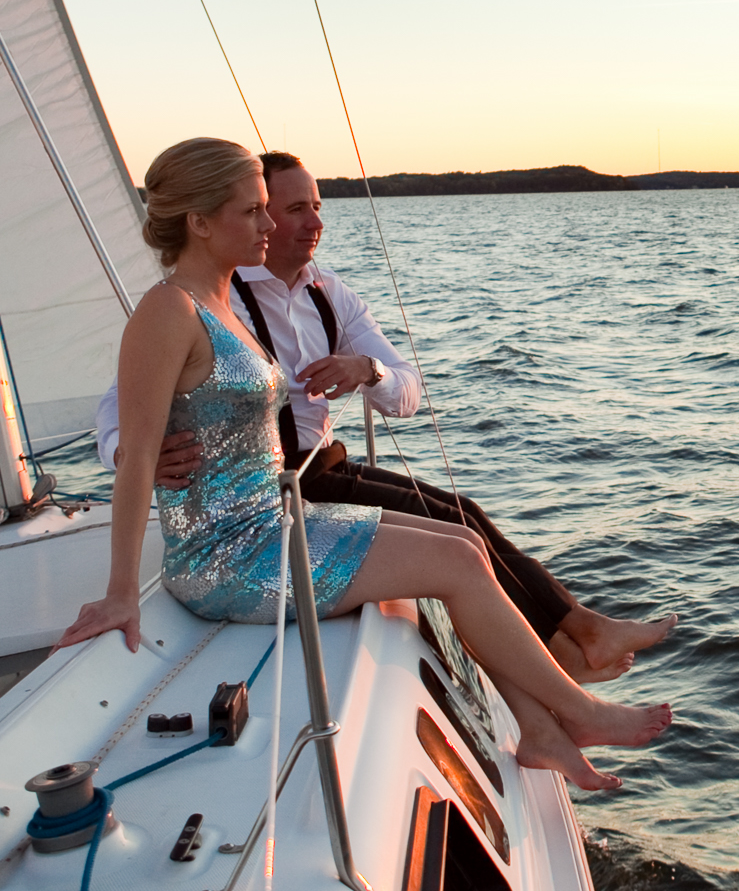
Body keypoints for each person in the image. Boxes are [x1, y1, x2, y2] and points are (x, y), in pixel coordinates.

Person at [59, 138, 670, 789]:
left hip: (273, 520)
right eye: (254, 211)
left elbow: (402, 385)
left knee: (464, 538)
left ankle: (544, 730)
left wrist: (363, 370)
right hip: (226, 555)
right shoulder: (168, 310)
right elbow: (135, 454)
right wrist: (122, 590)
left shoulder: (219, 304)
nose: (269, 225)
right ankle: (581, 711)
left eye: (273, 209)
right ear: (200, 221)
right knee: (457, 560)